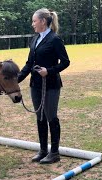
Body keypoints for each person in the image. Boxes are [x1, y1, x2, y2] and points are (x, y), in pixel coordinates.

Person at [18, 8, 70, 164]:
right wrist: (17, 80)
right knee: (39, 116)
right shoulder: (34, 40)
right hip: (35, 84)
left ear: (42, 21)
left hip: (51, 85)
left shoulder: (55, 39)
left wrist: (49, 71)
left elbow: (66, 62)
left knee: (51, 117)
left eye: (34, 21)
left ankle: (54, 153)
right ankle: (43, 150)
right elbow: (29, 64)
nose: (32, 24)